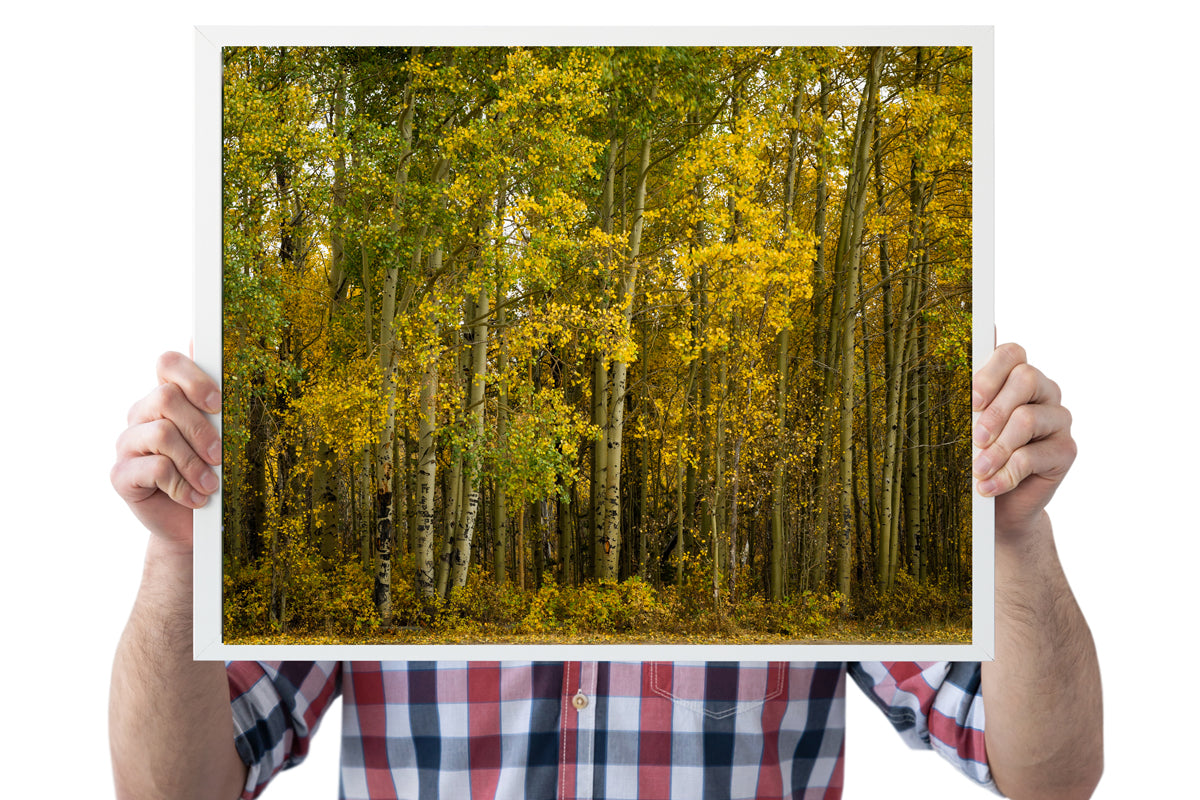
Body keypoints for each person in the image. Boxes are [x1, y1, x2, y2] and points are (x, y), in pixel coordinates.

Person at [109, 344, 1102, 800]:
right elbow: (176, 789)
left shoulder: (791, 507)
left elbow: (1048, 773)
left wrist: (1013, 538)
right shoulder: (379, 489)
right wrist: (177, 556)